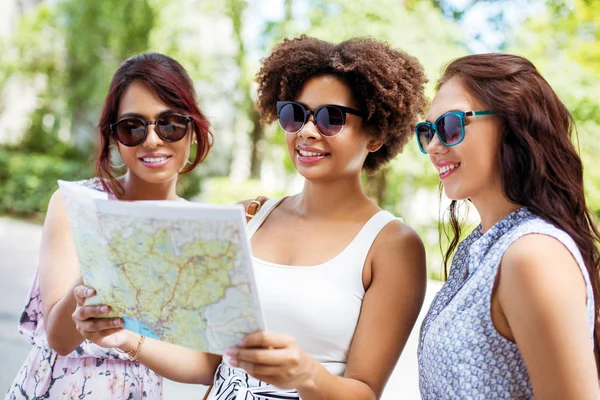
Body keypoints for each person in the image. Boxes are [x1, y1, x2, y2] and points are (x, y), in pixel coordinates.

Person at [71, 35, 429, 399]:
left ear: (376, 134)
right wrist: (124, 339)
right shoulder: (248, 217)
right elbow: (210, 365)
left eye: (330, 118)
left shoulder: (393, 246)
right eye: (295, 114)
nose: (307, 131)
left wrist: (306, 375)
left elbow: (365, 393)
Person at [5, 52, 213, 400]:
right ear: (114, 137)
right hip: (55, 388)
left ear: (192, 130)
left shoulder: (202, 232)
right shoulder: (76, 205)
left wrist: (130, 342)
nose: (152, 140)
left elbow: (205, 366)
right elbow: (58, 338)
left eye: (170, 123)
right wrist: (110, 255)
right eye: (132, 126)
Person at [416, 53, 600, 399]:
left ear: (513, 123)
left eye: (451, 126)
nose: (434, 147)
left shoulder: (534, 255)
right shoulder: (480, 247)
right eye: (427, 132)